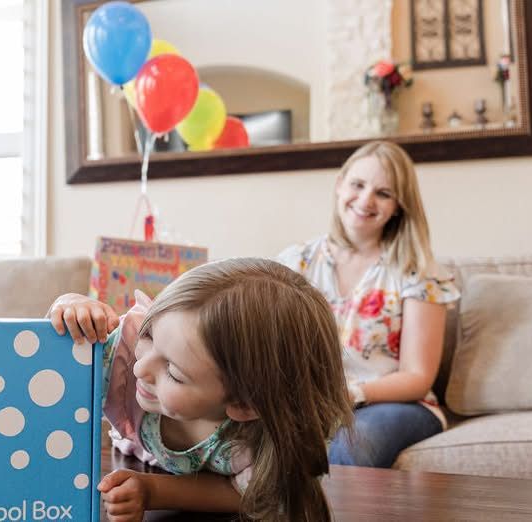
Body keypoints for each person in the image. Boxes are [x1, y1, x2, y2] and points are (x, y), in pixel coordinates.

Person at [48, 258, 353, 522]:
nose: (140, 369)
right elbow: (48, 367)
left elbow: (250, 493)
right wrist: (69, 308)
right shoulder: (123, 356)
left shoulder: (261, 445)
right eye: (149, 335)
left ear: (244, 405)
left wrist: (152, 490)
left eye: (174, 373)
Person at [276, 140, 460, 468]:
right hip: (311, 404)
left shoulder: (418, 272)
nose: (365, 200)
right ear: (339, 185)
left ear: (398, 205)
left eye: (383, 193)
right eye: (358, 185)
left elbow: (417, 376)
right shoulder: (296, 263)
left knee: (352, 443)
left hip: (395, 404)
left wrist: (352, 394)